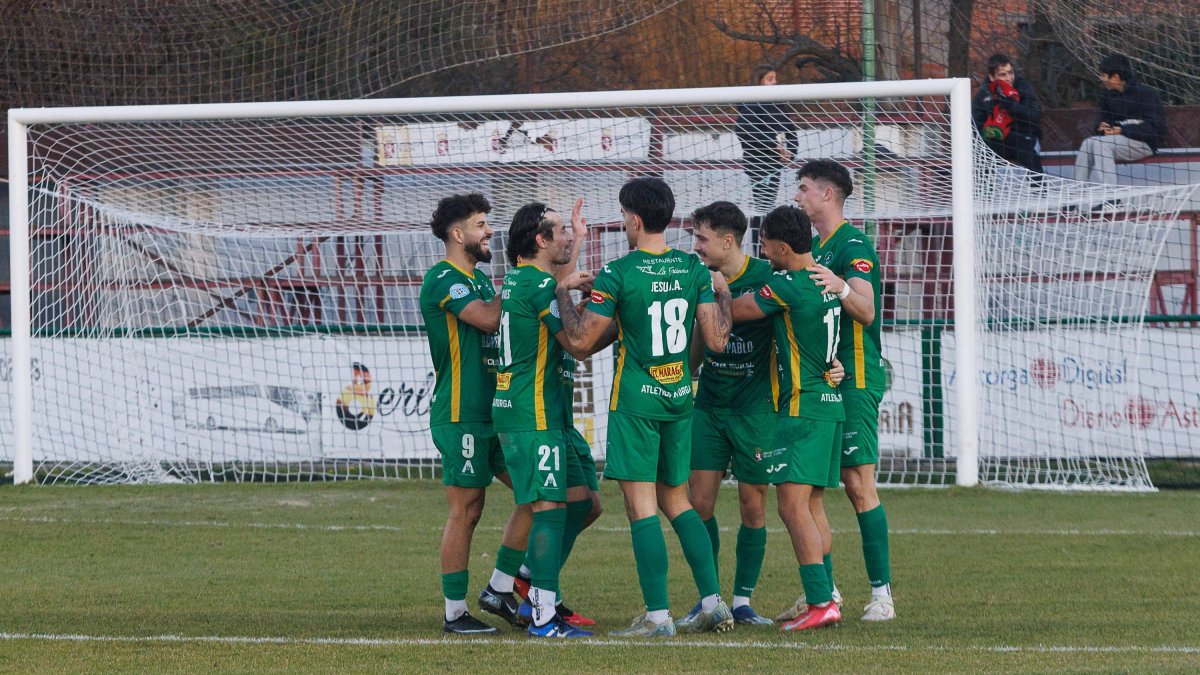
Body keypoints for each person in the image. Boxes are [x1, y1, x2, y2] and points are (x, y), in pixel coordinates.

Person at [555, 176, 734, 637]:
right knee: (678, 499)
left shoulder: (618, 272)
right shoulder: (692, 268)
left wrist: (562, 294)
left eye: (622, 216)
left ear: (634, 220)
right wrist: (725, 296)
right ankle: (714, 602)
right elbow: (716, 341)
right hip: (678, 399)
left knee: (641, 507)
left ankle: (657, 617)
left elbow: (580, 342)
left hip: (637, 402)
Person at [675, 201, 844, 628]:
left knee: (756, 506)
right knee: (699, 503)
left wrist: (832, 362)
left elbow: (808, 322)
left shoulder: (773, 278)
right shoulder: (698, 276)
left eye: (702, 238)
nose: (696, 246)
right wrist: (687, 372)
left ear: (727, 241)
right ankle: (710, 598)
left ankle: (744, 601)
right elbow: (702, 334)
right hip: (710, 406)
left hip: (759, 409)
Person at [482, 200, 605, 638]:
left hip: (543, 413)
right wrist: (617, 316)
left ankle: (511, 583)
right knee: (549, 509)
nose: (568, 237)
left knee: (583, 502)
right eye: (561, 231)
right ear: (540, 239)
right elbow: (577, 343)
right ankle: (542, 614)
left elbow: (558, 283)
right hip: (531, 414)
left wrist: (578, 241)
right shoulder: (539, 287)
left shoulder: (525, 278)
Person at [784, 159, 896, 622]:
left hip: (856, 377)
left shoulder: (853, 244)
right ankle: (825, 593)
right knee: (813, 487)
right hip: (823, 379)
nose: (797, 196)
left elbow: (866, 311)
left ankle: (882, 596)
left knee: (858, 484)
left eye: (804, 188)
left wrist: (841, 288)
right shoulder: (813, 246)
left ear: (827, 194)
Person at [728, 205, 845, 631]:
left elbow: (737, 311)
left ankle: (820, 601)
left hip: (801, 408)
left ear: (781, 247)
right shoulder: (826, 281)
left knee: (791, 507)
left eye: (764, 245)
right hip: (829, 405)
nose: (762, 252)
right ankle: (826, 596)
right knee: (812, 507)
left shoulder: (789, 285)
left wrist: (714, 289)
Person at [419, 192, 531, 635]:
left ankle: (504, 585)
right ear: (457, 233)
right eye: (481, 224)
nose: (489, 232)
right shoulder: (442, 279)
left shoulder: (482, 281)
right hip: (461, 414)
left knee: (538, 495)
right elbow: (487, 319)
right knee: (467, 509)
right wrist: (522, 279)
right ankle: (454, 613)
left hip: (498, 413)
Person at [1073, 53, 1166, 185]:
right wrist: (1103, 127)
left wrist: (1121, 129)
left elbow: (1154, 129)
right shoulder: (1108, 96)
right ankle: (1077, 191)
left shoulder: (1146, 93)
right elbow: (1103, 121)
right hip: (1116, 142)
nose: (1101, 78)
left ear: (1116, 77)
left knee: (1100, 145)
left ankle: (1111, 194)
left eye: (1103, 75)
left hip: (1143, 143)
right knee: (1088, 143)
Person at [735, 65, 798, 218]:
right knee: (762, 207)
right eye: (770, 79)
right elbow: (743, 129)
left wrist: (790, 152)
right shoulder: (752, 103)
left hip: (774, 164)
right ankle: (759, 233)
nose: (775, 82)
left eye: (775, 78)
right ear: (759, 81)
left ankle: (764, 232)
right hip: (759, 164)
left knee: (767, 207)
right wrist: (773, 145)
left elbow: (790, 131)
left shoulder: (777, 105)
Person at [971, 53, 1043, 174]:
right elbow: (976, 125)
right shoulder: (983, 94)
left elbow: (1035, 115)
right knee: (982, 157)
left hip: (1023, 136)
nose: (1009, 78)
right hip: (996, 139)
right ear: (992, 77)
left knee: (1034, 165)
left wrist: (1012, 106)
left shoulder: (1023, 87)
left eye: (1011, 73)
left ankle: (1038, 186)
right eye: (1003, 75)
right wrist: (989, 131)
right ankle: (984, 186)